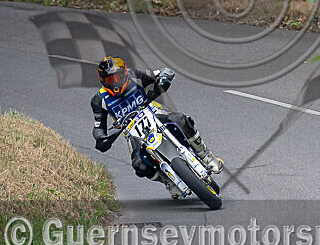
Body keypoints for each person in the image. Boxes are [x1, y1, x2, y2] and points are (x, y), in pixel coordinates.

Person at [91, 56, 223, 198]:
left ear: (125, 73)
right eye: (111, 80)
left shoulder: (135, 75)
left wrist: (163, 78)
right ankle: (168, 181)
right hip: (132, 131)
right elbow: (98, 127)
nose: (116, 82)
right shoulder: (99, 100)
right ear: (102, 80)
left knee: (181, 120)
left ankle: (205, 155)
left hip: (154, 112)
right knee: (139, 165)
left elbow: (164, 71)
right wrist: (101, 137)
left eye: (119, 77)